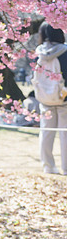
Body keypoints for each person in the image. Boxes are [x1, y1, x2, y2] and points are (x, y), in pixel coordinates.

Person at [33, 22, 67, 175]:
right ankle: (66, 168)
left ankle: (48, 166)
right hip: (63, 99)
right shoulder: (64, 52)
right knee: (65, 134)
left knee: (46, 133)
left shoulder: (39, 53)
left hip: (44, 99)